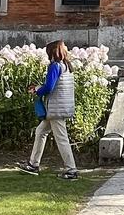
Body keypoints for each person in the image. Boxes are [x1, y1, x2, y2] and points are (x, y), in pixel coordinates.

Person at [19, 40, 80, 179]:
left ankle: (71, 170)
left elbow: (49, 87)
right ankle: (33, 164)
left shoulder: (55, 66)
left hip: (55, 109)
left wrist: (37, 90)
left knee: (61, 138)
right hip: (61, 106)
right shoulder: (66, 66)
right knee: (40, 131)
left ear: (51, 52)